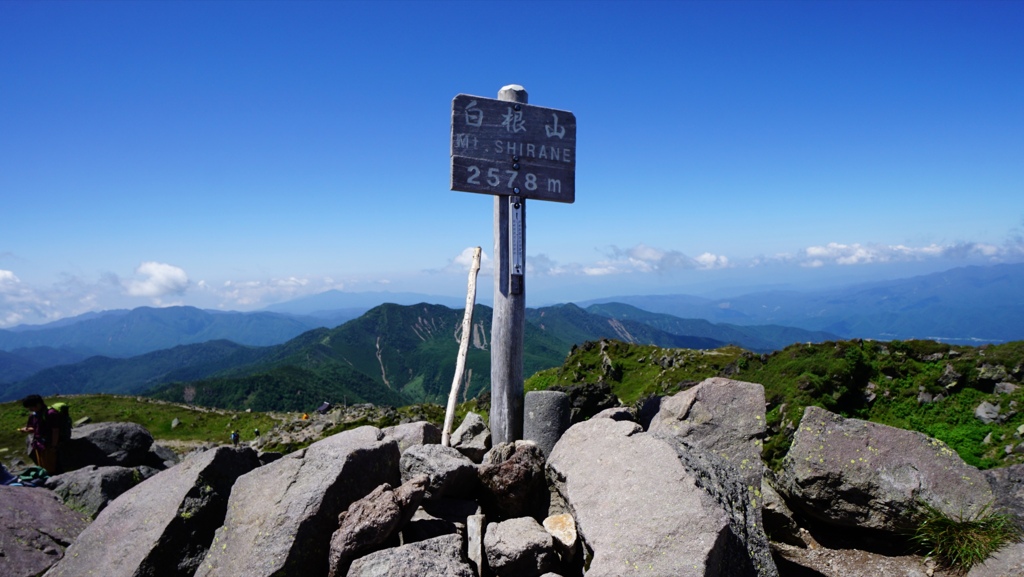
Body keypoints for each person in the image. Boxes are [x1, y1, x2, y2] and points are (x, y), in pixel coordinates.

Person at [18, 394, 61, 474]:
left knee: (50, 468)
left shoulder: (51, 413)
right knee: (42, 466)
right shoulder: (35, 414)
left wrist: (54, 446)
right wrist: (27, 430)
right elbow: (36, 428)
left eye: (31, 407)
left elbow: (55, 431)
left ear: (38, 404)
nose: (30, 409)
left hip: (48, 444)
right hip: (38, 444)